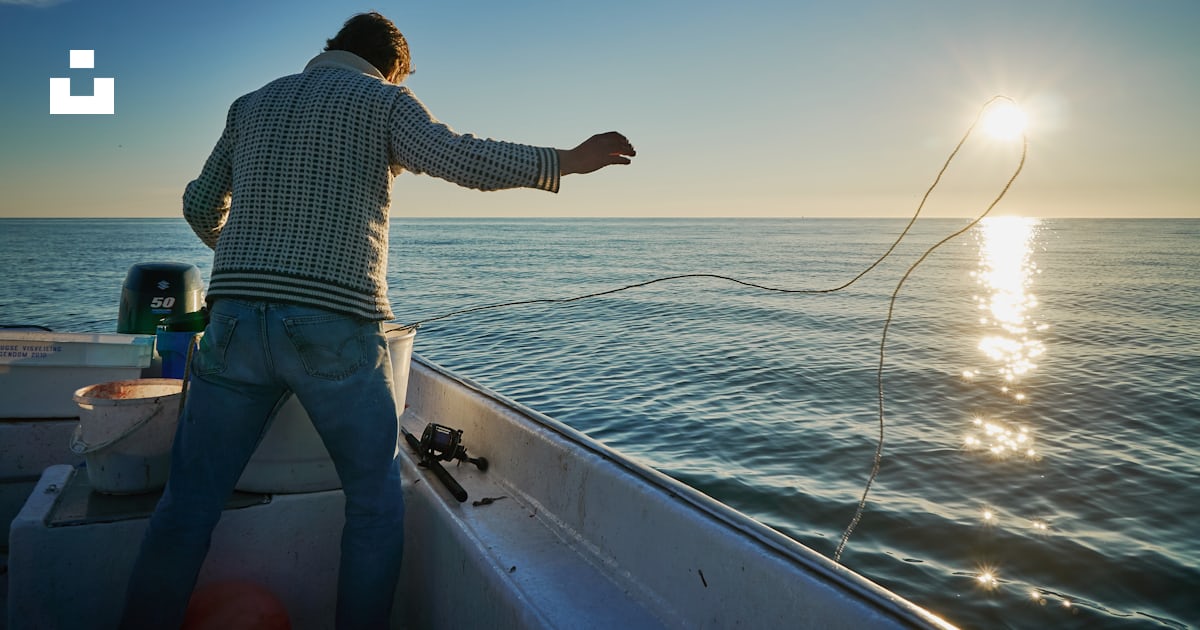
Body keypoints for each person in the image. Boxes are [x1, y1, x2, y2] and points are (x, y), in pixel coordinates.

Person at [119, 11, 634, 629]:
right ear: (393, 67)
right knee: (373, 505)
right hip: (333, 328)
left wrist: (243, 256)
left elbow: (200, 202)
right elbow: (457, 158)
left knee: (186, 509)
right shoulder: (383, 100)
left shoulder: (250, 104)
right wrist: (566, 161)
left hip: (230, 326)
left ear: (333, 48)